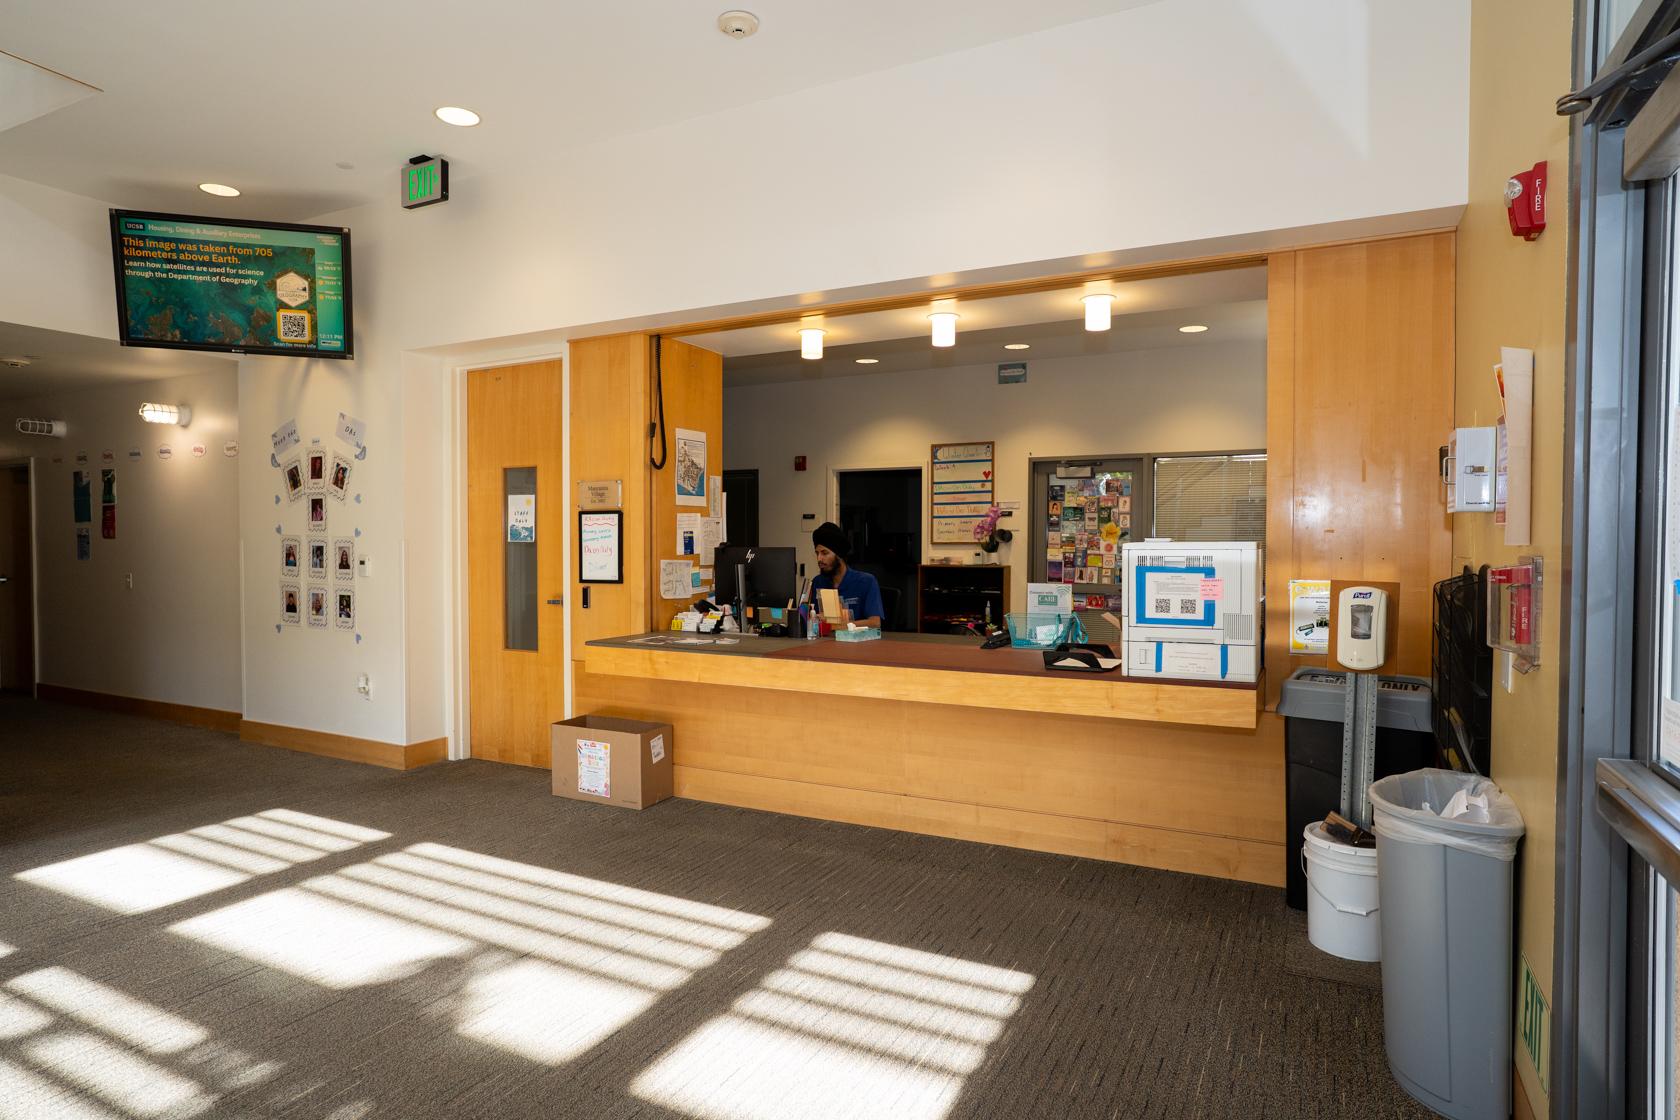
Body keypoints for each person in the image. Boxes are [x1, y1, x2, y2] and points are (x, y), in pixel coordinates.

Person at [809, 522, 884, 629]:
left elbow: (875, 623)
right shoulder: (818, 582)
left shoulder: (866, 582)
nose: (819, 559)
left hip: (858, 639)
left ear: (839, 555)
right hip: (825, 639)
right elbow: (812, 619)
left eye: (824, 553)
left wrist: (840, 625)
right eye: (817, 553)